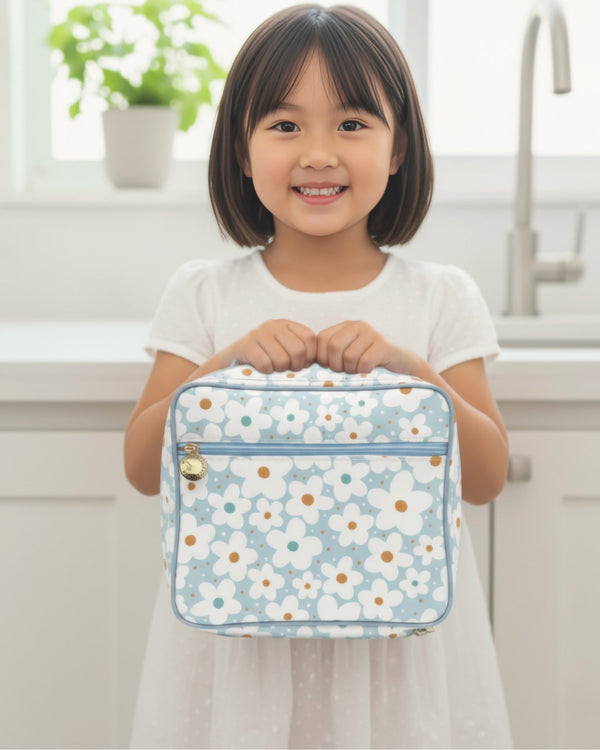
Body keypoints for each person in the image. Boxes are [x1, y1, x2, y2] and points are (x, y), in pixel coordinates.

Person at [124, 5, 513, 748]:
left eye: (353, 123)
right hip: (235, 642)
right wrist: (221, 366)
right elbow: (145, 467)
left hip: (402, 643)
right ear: (240, 149)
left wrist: (410, 369)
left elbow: (487, 478)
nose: (318, 154)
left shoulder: (439, 298)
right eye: (285, 125)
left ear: (399, 149)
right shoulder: (204, 294)